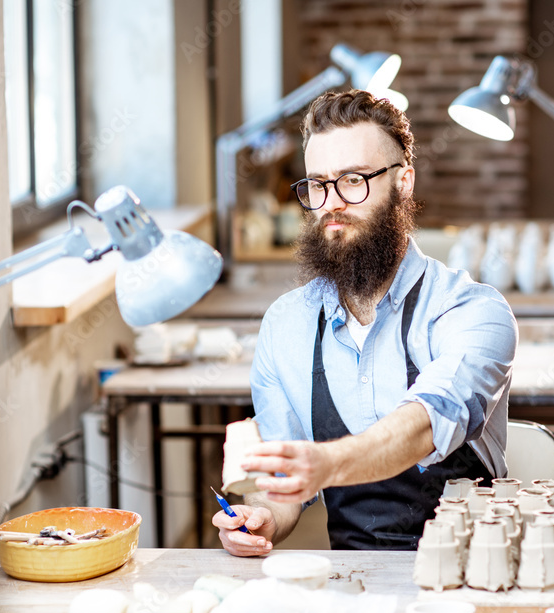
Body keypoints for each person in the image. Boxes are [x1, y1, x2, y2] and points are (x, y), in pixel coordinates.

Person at [213, 89, 517, 554]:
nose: (332, 202)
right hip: (355, 585)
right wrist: (263, 517)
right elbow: (280, 485)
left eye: (353, 180)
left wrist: (327, 463)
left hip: (472, 579)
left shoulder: (471, 311)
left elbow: (423, 426)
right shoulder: (286, 325)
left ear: (404, 181)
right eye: (317, 184)